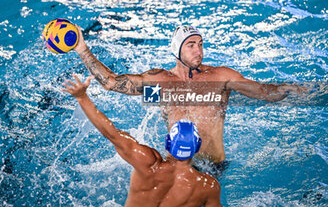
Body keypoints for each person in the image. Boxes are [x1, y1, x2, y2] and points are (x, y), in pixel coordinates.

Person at [73, 25, 307, 165]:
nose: (199, 51)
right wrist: (82, 49)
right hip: (177, 166)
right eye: (191, 45)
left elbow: (265, 93)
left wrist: (286, 89)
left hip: (216, 166)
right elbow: (112, 83)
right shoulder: (162, 82)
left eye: (201, 44)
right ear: (177, 50)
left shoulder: (220, 78)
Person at [62, 74, 222, 207]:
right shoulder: (207, 186)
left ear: (168, 143)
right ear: (196, 147)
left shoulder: (147, 163)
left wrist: (82, 97)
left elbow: (111, 133)